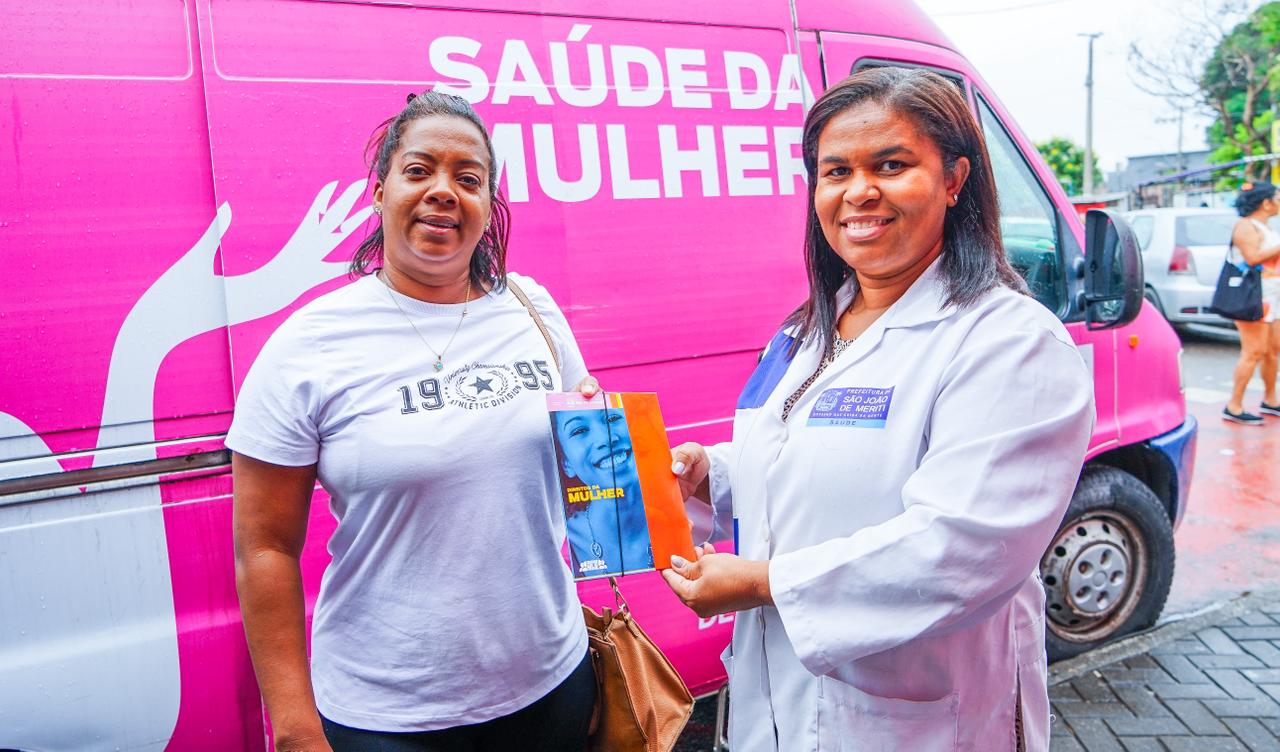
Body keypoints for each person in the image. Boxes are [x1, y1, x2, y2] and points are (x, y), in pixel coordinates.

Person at [661, 67, 1095, 751]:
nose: (859, 191)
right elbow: (807, 461)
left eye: (891, 165)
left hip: (916, 722)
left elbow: (963, 548)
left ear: (954, 179)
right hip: (773, 709)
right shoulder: (807, 330)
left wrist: (768, 583)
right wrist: (709, 475)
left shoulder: (1009, 342)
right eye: (836, 172)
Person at [229, 91, 598, 752]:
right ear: (380, 192)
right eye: (419, 170)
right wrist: (295, 729)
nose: (444, 192)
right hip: (387, 717)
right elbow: (264, 549)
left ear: (488, 205)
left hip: (552, 685)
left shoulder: (532, 311)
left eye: (468, 179)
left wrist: (616, 450)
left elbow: (590, 477)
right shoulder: (308, 345)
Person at [552, 407, 654, 576]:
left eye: (612, 419)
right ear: (566, 463)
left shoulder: (687, 515)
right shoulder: (561, 543)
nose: (606, 439)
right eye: (579, 431)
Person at [1222, 181, 1280, 425]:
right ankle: (1234, 406)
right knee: (1253, 351)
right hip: (1253, 297)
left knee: (1273, 350)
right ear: (1266, 203)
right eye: (1277, 198)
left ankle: (1271, 400)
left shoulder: (1266, 227)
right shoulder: (1245, 226)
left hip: (1272, 296)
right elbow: (1253, 257)